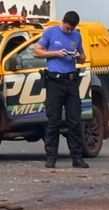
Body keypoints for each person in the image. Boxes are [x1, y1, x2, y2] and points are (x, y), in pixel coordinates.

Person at [32, 10, 89, 169]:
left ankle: (77, 158)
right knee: (53, 121)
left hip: (70, 81)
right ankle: (51, 157)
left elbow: (83, 58)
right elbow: (36, 52)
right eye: (67, 28)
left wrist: (78, 56)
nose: (69, 31)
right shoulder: (51, 32)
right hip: (54, 81)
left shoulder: (77, 36)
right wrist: (55, 53)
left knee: (75, 120)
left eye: (71, 29)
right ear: (62, 22)